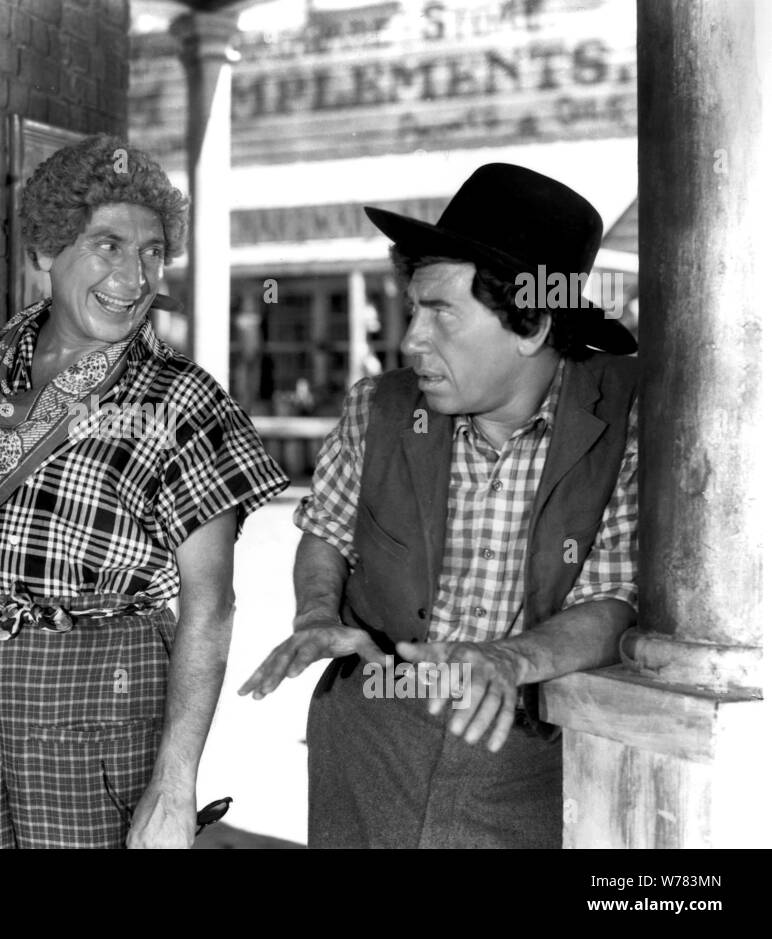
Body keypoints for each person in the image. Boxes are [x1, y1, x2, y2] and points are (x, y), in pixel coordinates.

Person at [0, 134, 289, 848]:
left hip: (102, 697)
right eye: (107, 245)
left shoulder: (181, 400)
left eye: (150, 253)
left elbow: (211, 603)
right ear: (46, 250)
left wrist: (175, 786)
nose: (133, 277)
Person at [239, 163, 639, 848]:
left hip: (528, 759)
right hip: (368, 741)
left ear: (533, 323)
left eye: (441, 311)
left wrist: (508, 660)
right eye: (413, 307)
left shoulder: (626, 424)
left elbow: (616, 599)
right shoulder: (378, 407)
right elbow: (328, 531)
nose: (410, 339)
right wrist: (315, 612)